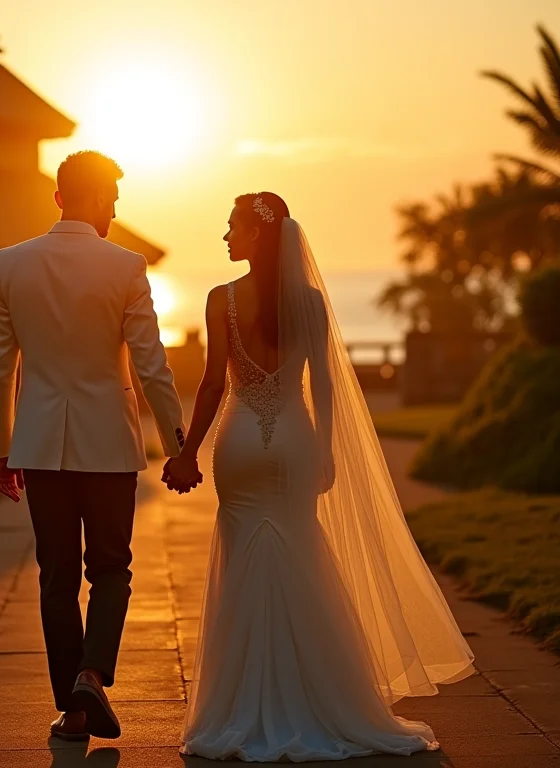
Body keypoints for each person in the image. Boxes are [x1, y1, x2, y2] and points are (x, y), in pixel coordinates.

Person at [164, 193, 475, 762]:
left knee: (241, 565)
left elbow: (211, 384)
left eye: (232, 227)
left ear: (258, 236)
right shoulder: (308, 302)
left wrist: (188, 454)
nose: (226, 236)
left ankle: (240, 705)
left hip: (239, 443)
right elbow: (325, 385)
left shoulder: (219, 299)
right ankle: (321, 699)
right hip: (294, 442)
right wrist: (326, 450)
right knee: (302, 557)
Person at [0, 151, 200, 742]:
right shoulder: (126, 266)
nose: (112, 210)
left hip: (40, 447)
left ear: (58, 197)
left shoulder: (11, 264)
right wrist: (177, 443)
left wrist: (1, 448)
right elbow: (153, 365)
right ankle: (90, 676)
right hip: (108, 445)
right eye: (111, 199)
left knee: (56, 576)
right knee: (111, 569)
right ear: (100, 200)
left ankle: (74, 710)